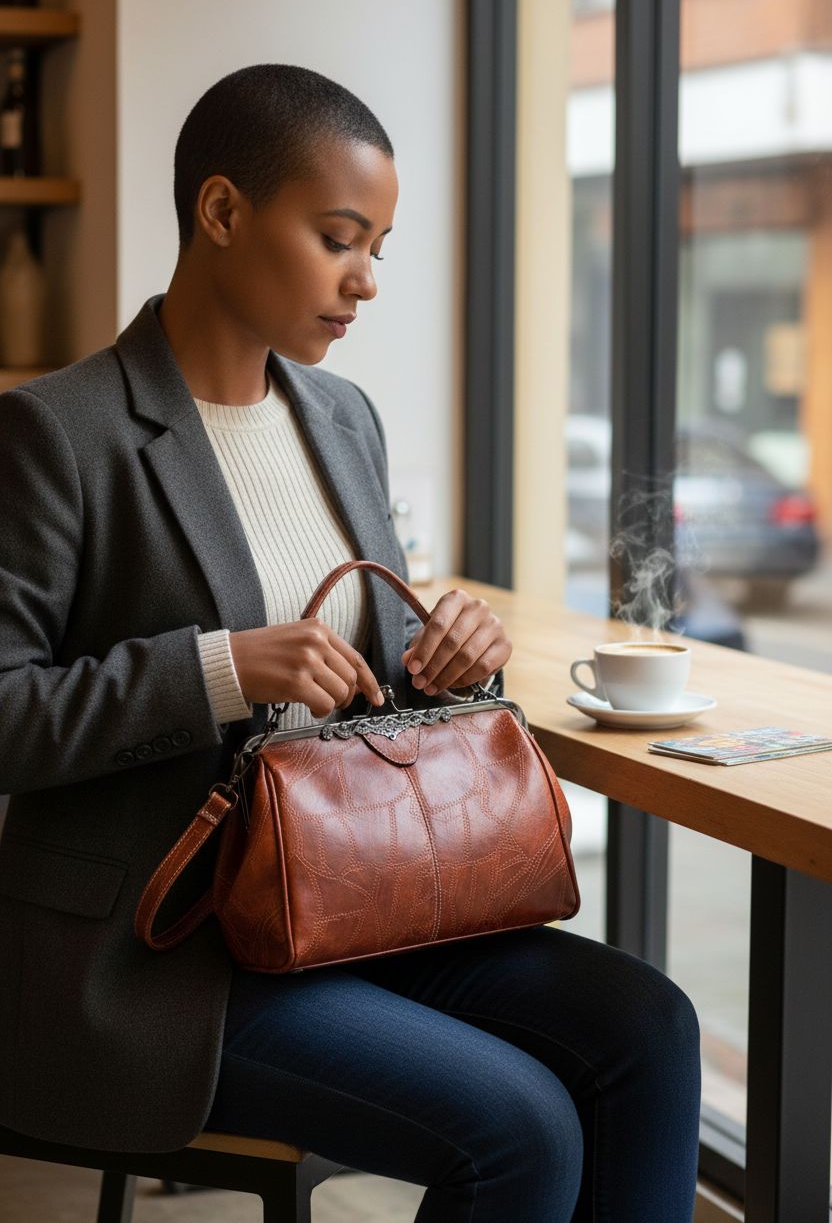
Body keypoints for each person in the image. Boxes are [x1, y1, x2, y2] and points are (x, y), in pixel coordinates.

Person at [0, 64, 700, 1221]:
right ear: (222, 212)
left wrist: (450, 662)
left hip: (354, 900)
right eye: (337, 239)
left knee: (649, 1028)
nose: (366, 279)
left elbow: (367, 696)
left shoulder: (342, 419)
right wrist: (222, 668)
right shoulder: (55, 434)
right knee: (520, 1125)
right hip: (170, 952)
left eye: (376, 246)